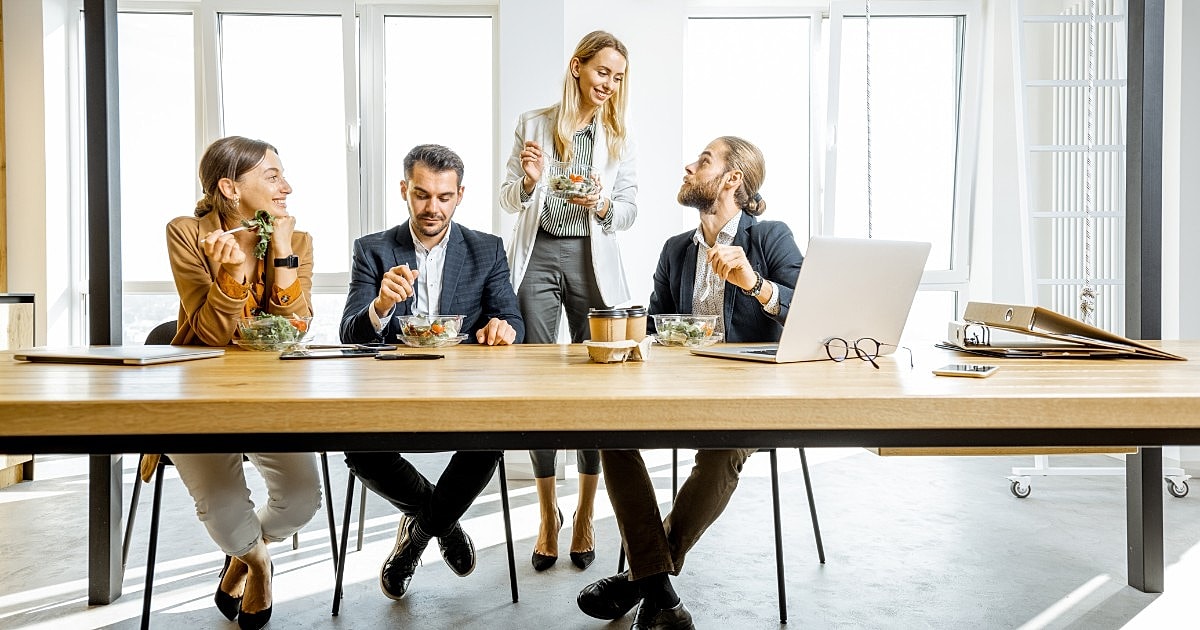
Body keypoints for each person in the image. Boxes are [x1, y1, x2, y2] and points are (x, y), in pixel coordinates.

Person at [577, 136, 804, 629]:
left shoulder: (770, 239)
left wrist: (757, 286)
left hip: (747, 392)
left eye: (703, 161)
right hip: (678, 387)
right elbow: (654, 325)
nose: (688, 165)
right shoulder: (676, 250)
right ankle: (656, 586)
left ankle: (646, 579)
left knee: (724, 450)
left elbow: (808, 310)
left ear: (730, 180)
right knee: (607, 434)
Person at [340, 144, 525, 600]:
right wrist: (381, 305)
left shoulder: (486, 249)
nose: (432, 208)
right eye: (421, 195)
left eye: (444, 197)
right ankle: (442, 522)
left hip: (464, 388)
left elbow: (513, 320)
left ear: (460, 195)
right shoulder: (374, 250)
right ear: (404, 190)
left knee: (490, 440)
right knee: (356, 445)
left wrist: (504, 328)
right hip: (389, 388)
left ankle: (415, 538)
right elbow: (350, 333)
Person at [165, 135, 322, 630]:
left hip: (271, 394)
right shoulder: (188, 233)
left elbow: (295, 326)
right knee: (224, 510)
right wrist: (232, 275)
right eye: (272, 176)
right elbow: (210, 333)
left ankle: (244, 557)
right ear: (230, 187)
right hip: (196, 395)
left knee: (301, 502)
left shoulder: (296, 239)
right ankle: (256, 564)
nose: (287, 187)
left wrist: (279, 251)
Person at [499, 29, 637, 573]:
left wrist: (603, 201)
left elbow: (628, 211)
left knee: (595, 382)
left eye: (619, 77)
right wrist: (531, 181)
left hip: (590, 258)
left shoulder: (619, 134)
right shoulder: (534, 124)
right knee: (538, 382)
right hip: (538, 259)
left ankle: (583, 512)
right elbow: (510, 198)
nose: (609, 84)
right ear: (578, 66)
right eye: (603, 72)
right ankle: (546, 515)